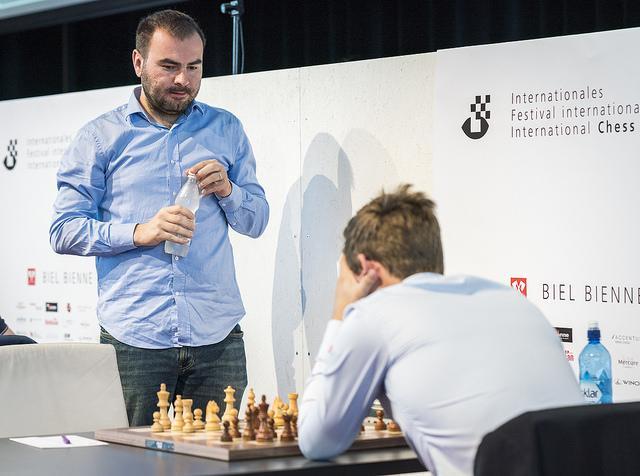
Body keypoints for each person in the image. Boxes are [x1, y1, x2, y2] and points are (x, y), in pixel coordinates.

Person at [49, 10, 269, 426]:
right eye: (169, 66)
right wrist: (140, 232)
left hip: (217, 338)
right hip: (135, 339)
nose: (183, 79)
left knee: (215, 456)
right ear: (138, 62)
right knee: (131, 459)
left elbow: (256, 221)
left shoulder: (226, 129)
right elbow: (64, 231)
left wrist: (229, 190)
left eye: (193, 67)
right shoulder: (100, 138)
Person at [297, 184, 582, 475]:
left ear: (364, 267)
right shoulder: (512, 300)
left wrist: (340, 314)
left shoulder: (373, 316)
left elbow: (317, 440)